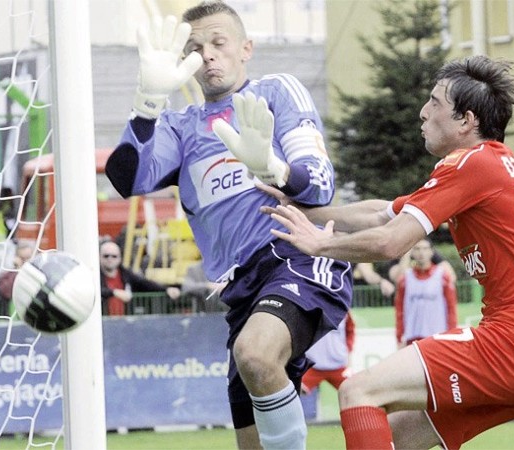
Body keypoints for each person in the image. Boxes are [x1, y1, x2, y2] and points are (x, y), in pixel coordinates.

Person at [261, 55, 514, 449]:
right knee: (394, 438)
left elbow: (391, 241)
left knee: (358, 392)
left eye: (435, 102)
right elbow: (380, 214)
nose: (423, 112)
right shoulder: (491, 166)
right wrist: (302, 211)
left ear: (467, 120)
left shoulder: (470, 165)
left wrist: (323, 243)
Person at [104, 2, 352, 448]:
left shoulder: (278, 91)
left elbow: (320, 185)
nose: (210, 55)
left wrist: (274, 168)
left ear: (246, 48)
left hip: (295, 256)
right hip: (241, 289)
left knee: (254, 353)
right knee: (253, 435)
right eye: (196, 49)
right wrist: (146, 103)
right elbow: (126, 179)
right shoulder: (180, 128)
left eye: (219, 43)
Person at [394, 238, 457, 348]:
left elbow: (451, 308)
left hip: (438, 336)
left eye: (425, 248)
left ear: (431, 251)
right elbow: (400, 310)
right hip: (412, 337)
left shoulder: (443, 276)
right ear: (412, 252)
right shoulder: (405, 279)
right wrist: (399, 336)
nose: (421, 253)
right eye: (417, 249)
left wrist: (452, 334)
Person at [99, 240, 181, 316]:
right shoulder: (95, 276)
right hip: (102, 322)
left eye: (114, 256)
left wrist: (166, 289)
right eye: (106, 256)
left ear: (120, 258)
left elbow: (144, 284)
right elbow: (96, 290)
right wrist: (114, 292)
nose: (110, 259)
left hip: (124, 321)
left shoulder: (125, 274)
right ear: (99, 257)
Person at [301, 310, 356, 396]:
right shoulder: (310, 307)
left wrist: (349, 360)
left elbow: (350, 332)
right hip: (313, 366)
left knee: (354, 393)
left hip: (338, 366)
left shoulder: (344, 310)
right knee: (296, 393)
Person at [0, 241, 35, 316]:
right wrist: (18, 270)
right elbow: (7, 293)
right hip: (15, 316)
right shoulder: (8, 275)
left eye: (28, 258)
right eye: (22, 258)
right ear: (16, 258)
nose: (26, 261)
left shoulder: (40, 274)